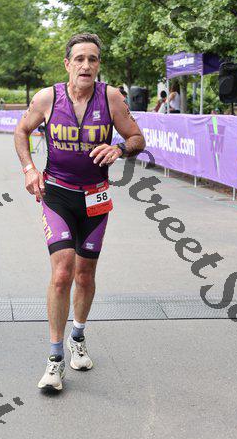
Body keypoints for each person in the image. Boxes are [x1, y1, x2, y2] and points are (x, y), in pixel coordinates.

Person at [14, 33, 145, 392]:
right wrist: (29, 169)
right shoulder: (48, 98)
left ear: (98, 65)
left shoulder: (111, 97)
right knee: (62, 273)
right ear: (67, 64)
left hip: (95, 198)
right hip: (57, 194)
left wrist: (120, 149)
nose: (87, 65)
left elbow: (137, 138)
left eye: (93, 59)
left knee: (85, 276)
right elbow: (21, 130)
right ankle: (55, 359)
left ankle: (78, 337)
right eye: (80, 59)